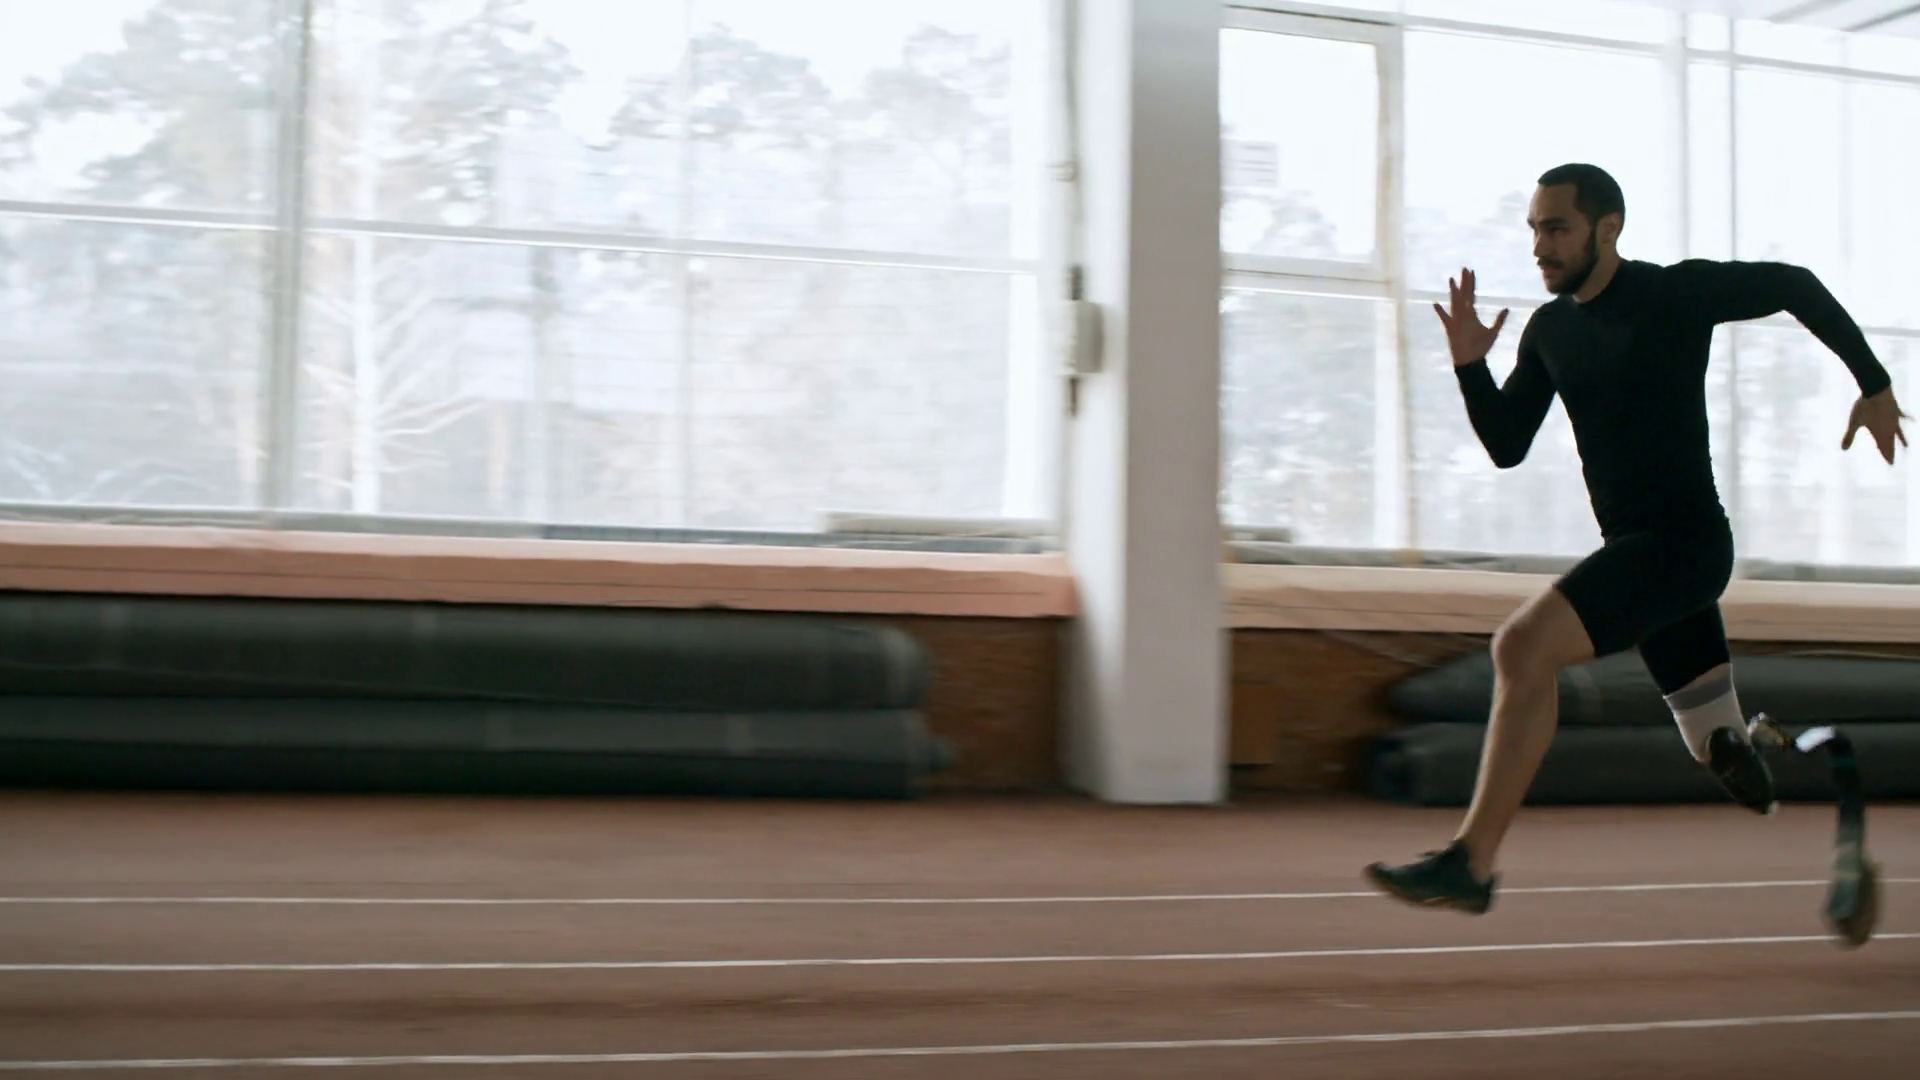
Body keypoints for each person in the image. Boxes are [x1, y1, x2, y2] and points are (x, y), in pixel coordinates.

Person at [1363, 163, 1909, 915]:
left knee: (1521, 648)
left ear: (1607, 227)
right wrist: (1469, 365)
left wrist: (1874, 384)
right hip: (1649, 564)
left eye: (1557, 228)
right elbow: (1506, 444)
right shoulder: (1551, 331)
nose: (1540, 246)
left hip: (1686, 547)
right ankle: (1754, 745)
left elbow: (1794, 284)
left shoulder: (1673, 294)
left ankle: (1471, 864)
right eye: (1534, 229)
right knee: (1713, 748)